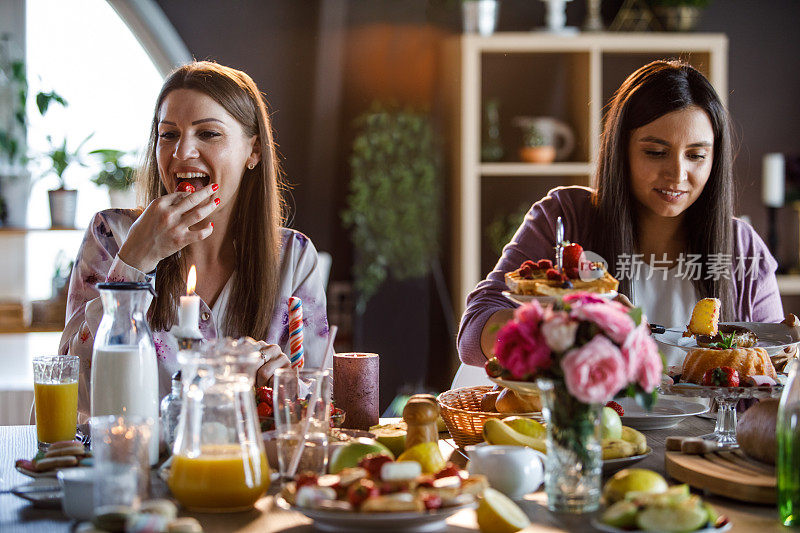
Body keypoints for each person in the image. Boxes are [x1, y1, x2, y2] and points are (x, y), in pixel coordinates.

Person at [457, 60, 786, 371]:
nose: (677, 173)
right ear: (621, 150)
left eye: (697, 155)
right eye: (655, 152)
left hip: (706, 433)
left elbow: (772, 374)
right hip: (594, 429)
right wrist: (564, 332)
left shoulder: (742, 248)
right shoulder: (567, 218)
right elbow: (476, 329)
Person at [61, 61, 330, 420]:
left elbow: (320, 411)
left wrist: (284, 387)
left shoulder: (293, 258)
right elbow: (70, 387)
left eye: (208, 134)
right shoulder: (111, 235)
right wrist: (132, 264)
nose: (181, 153)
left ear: (253, 151)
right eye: (168, 134)